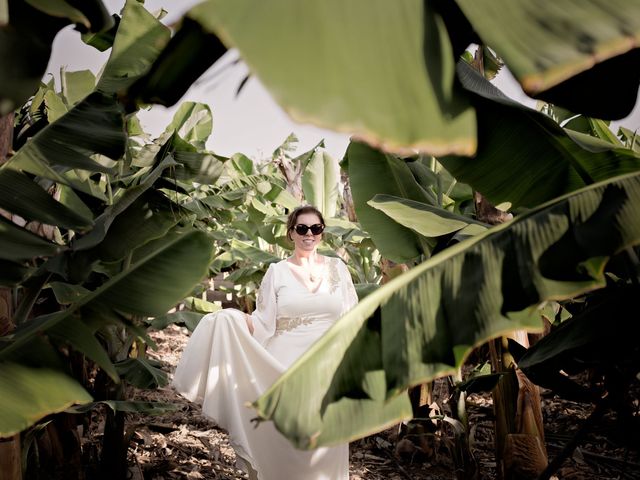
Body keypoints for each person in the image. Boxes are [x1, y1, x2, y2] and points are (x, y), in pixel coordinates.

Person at [172, 205, 359, 480]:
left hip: (327, 366)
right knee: (285, 442)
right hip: (283, 364)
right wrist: (231, 318)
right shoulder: (278, 272)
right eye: (302, 228)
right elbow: (262, 323)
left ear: (322, 233)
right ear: (291, 233)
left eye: (315, 228)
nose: (309, 234)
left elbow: (351, 317)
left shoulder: (338, 269)